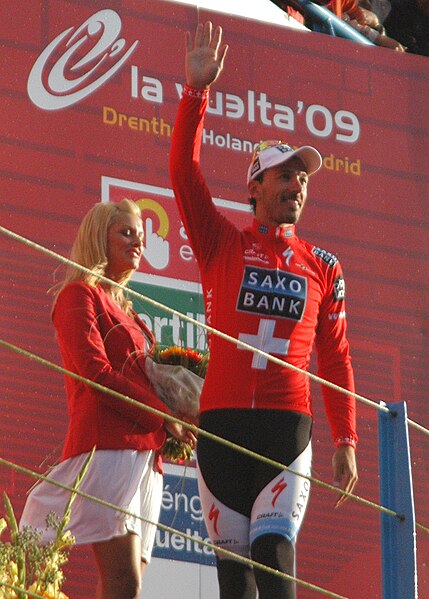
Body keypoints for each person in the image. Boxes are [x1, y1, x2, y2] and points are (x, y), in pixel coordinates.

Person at [169, 22, 358, 599]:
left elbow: (336, 354)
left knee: (274, 562)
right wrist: (195, 94)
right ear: (254, 187)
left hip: (285, 430)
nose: (296, 184)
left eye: (302, 178)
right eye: (284, 175)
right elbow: (183, 175)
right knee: (235, 588)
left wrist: (346, 439)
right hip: (221, 427)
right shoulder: (222, 243)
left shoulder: (324, 264)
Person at [20, 199, 196, 599]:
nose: (138, 242)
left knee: (124, 586)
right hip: (109, 449)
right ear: (100, 238)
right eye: (126, 232)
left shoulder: (133, 315)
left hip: (147, 459)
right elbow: (95, 374)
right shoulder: (78, 295)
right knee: (124, 584)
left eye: (141, 235)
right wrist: (162, 414)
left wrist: (183, 408)